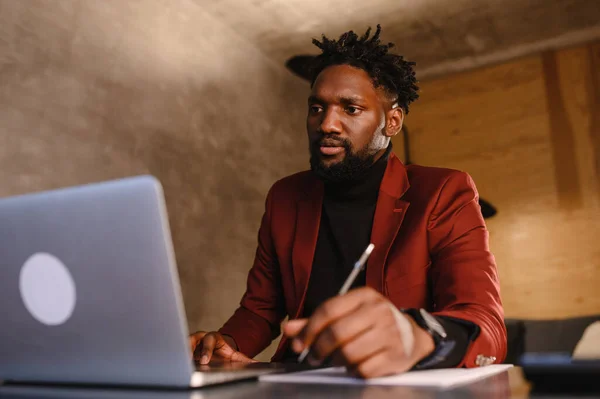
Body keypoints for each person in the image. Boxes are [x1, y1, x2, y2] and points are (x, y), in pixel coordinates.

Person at [189, 25, 507, 378]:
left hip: (392, 384)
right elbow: (260, 308)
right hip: (296, 381)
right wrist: (224, 341)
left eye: (351, 109)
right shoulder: (284, 197)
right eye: (316, 107)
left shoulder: (444, 191)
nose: (327, 123)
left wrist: (417, 337)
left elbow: (485, 322)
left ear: (393, 121)